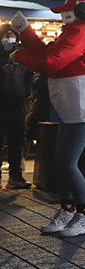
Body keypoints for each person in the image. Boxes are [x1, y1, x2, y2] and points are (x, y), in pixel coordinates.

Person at [9, 0, 85, 237]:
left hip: (82, 104)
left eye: (66, 10)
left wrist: (19, 54)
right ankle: (69, 210)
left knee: (68, 162)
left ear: (80, 11)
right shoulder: (81, 30)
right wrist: (26, 32)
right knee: (63, 161)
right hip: (76, 103)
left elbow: (51, 60)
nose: (62, 15)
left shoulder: (80, 31)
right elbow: (50, 52)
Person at [1, 23, 32, 189]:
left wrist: (28, 90)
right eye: (5, 34)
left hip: (17, 104)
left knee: (17, 141)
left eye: (12, 34)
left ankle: (15, 177)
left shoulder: (22, 55)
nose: (9, 37)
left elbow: (30, 75)